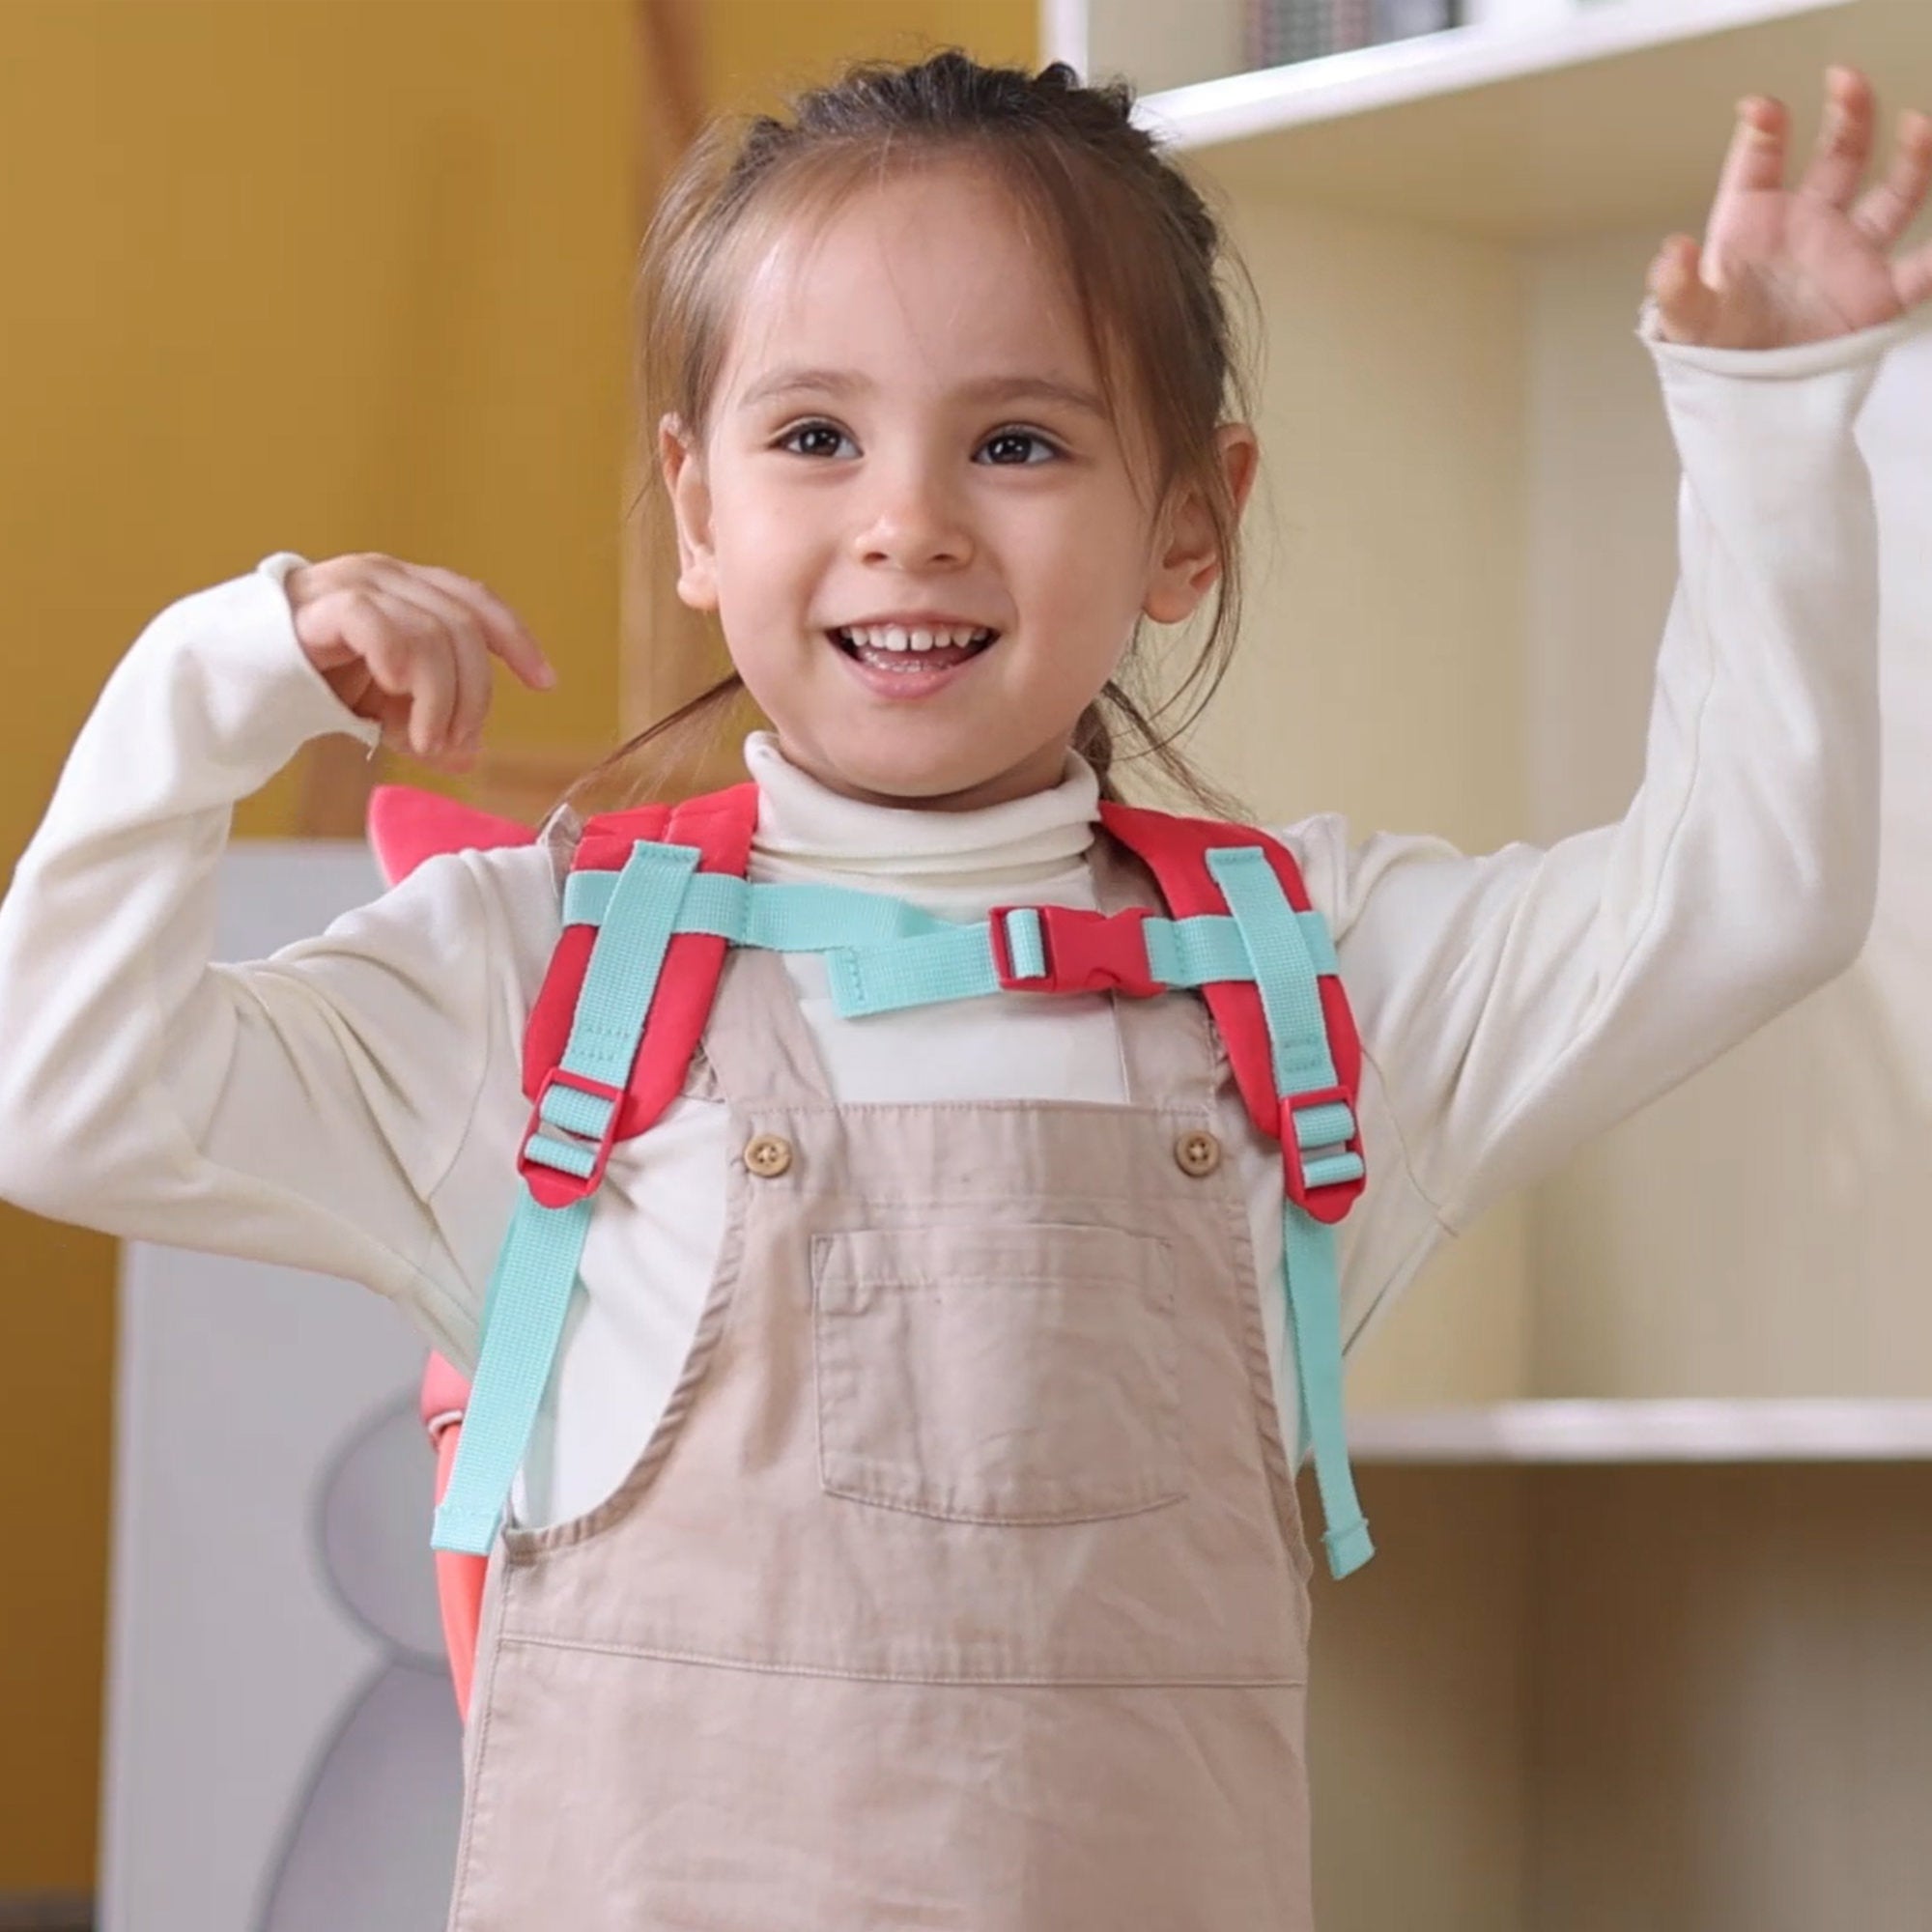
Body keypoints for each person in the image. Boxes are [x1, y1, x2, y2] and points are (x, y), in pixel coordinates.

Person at [1, 47, 1928, 1932]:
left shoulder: (1305, 975)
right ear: (694, 506)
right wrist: (213, 681)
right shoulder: (536, 969)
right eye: (813, 436)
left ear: (1192, 518)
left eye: (1017, 440)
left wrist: (1769, 437)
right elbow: (61, 1096)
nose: (905, 518)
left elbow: (1743, 895)